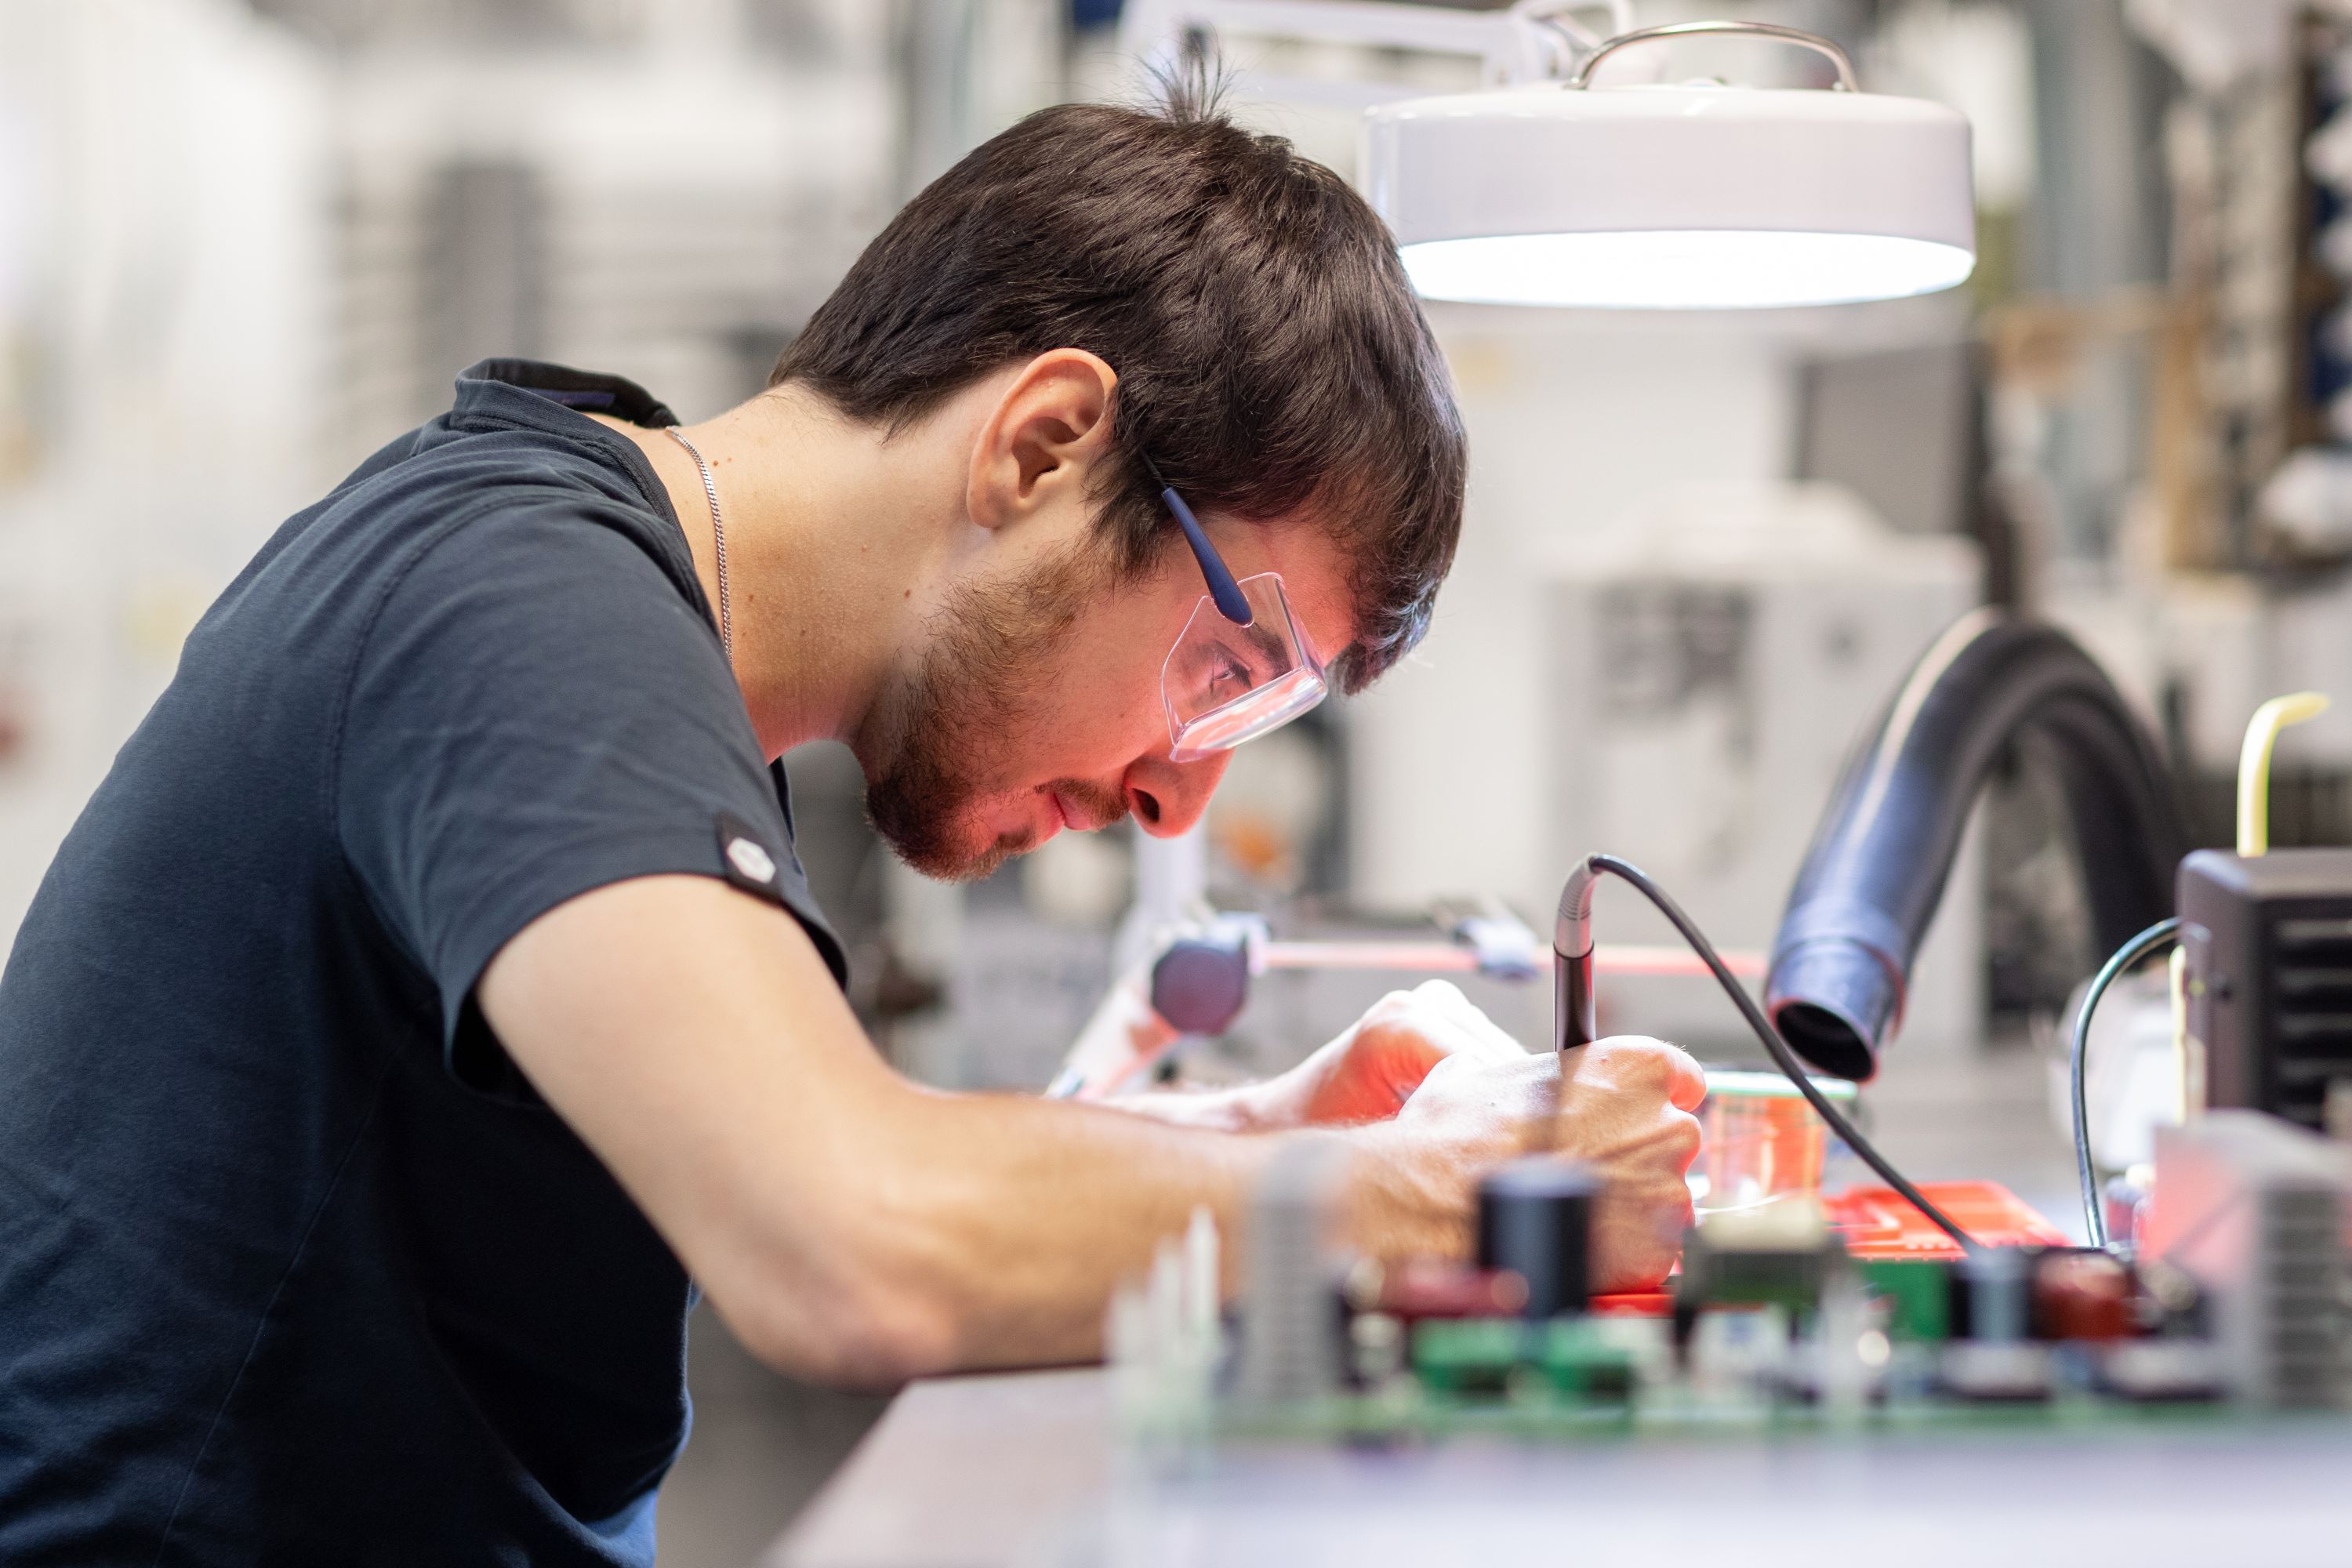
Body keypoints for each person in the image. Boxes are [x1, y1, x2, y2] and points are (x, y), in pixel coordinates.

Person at [0, 86, 1701, 1566]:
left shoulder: (618, 631)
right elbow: (853, 1239)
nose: (1182, 788)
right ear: (1044, 444)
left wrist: (1271, 1146)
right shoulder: (518, 607)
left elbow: (841, 1152)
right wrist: (1474, 1188)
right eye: (1224, 667)